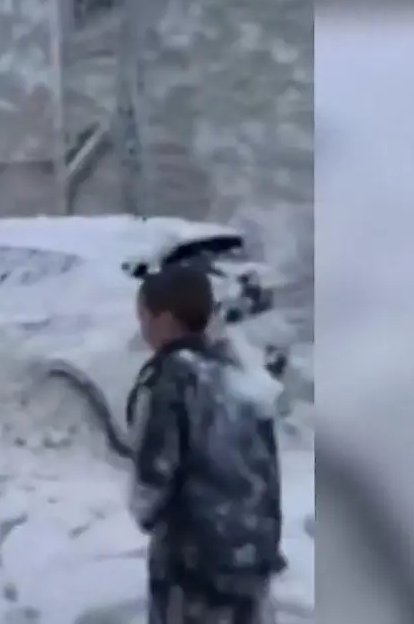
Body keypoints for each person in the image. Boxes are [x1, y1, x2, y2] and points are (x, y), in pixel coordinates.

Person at [126, 265, 286, 624]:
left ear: (164, 319)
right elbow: (267, 467)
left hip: (195, 567)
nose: (144, 330)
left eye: (145, 319)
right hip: (252, 558)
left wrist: (146, 513)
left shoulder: (171, 378)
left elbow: (152, 480)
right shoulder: (237, 372)